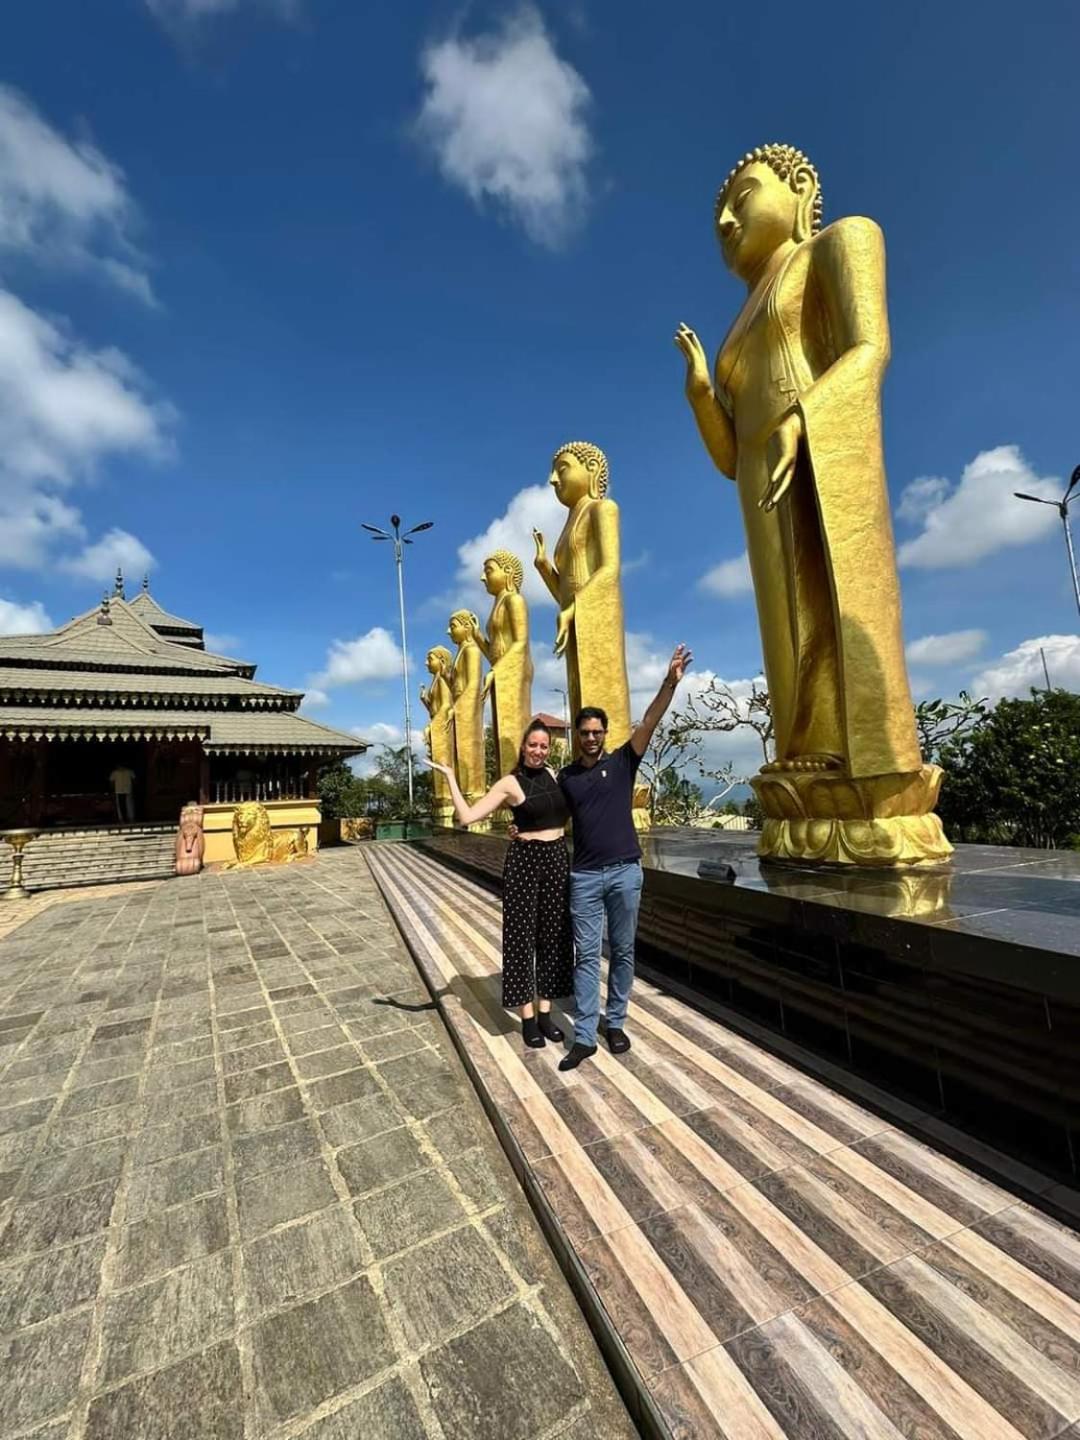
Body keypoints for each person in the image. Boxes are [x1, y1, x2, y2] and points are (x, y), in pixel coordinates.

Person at [557, 643, 693, 1071]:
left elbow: (650, 721)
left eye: (597, 731)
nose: (591, 737)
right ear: (577, 736)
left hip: (624, 873)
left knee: (623, 950)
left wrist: (669, 683)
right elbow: (550, 817)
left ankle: (614, 1021)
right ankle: (584, 1035)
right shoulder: (566, 777)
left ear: (604, 733)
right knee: (585, 955)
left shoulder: (622, 762)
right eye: (585, 732)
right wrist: (520, 830)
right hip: (584, 876)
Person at [425, 719, 574, 1049]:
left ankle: (546, 1014)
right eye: (533, 745)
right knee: (521, 939)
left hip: (556, 859)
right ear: (522, 747)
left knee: (553, 937)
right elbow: (467, 817)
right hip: (525, 861)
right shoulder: (510, 782)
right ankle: (528, 1019)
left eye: (544, 746)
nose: (538, 751)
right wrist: (450, 777)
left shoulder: (554, 775)